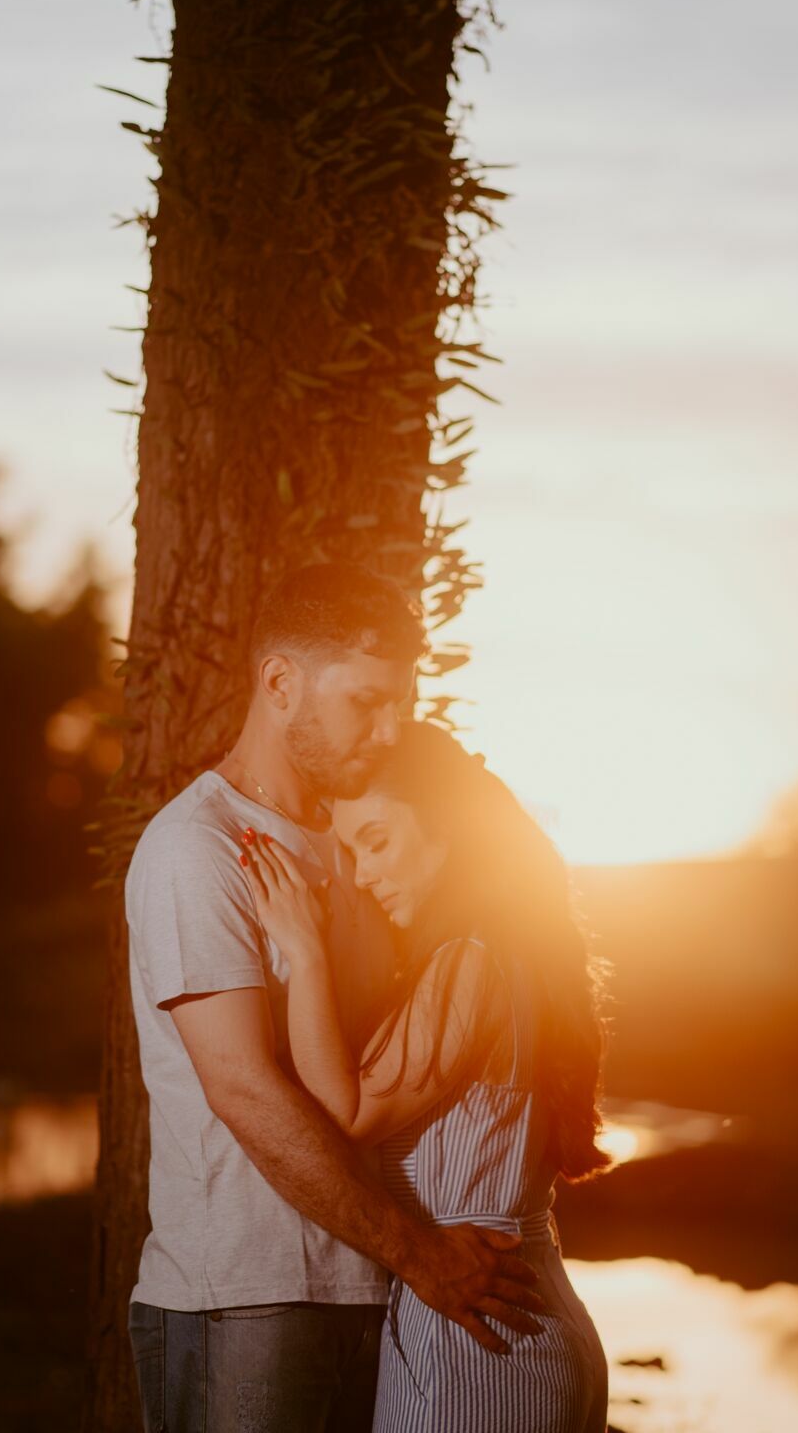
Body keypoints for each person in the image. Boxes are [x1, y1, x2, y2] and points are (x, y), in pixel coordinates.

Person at [124, 564, 547, 1432]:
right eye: (367, 701)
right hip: (246, 1299)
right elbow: (244, 1090)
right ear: (280, 684)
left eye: (400, 703)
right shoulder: (199, 850)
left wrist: (407, 1263)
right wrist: (419, 1253)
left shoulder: (360, 847)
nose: (391, 730)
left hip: (377, 1295)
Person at [242, 717, 611, 1432]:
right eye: (351, 852)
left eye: (377, 842)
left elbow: (344, 1114)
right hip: (512, 1321)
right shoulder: (502, 952)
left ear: (449, 828)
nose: (363, 874)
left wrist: (306, 954)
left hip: (480, 1340)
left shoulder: (471, 963)